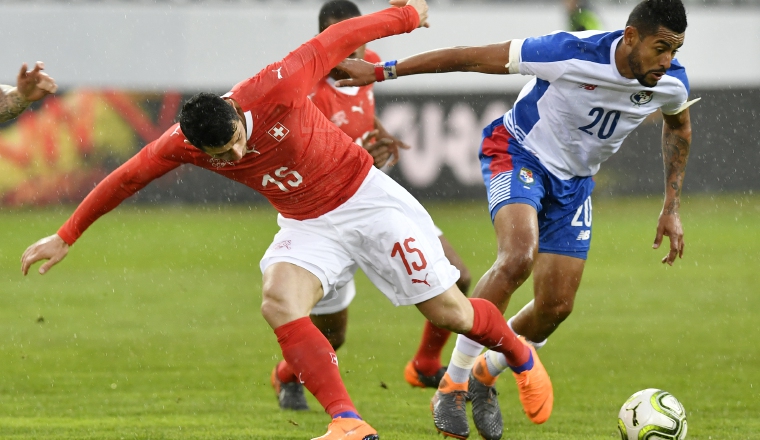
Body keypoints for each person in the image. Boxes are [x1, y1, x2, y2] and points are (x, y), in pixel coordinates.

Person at [19, 1, 552, 439]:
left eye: (234, 144)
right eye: (219, 155)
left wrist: (407, 14)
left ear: (239, 118)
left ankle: (518, 354)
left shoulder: (275, 86)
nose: (231, 158)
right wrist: (66, 235)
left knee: (449, 313)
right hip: (306, 223)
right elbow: (127, 178)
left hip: (365, 199)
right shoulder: (181, 144)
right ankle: (348, 421)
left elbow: (339, 38)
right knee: (278, 300)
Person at [334, 0, 694, 438]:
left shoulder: (671, 82)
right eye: (661, 48)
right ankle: (454, 381)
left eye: (675, 50)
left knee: (555, 308)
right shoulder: (569, 51)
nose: (668, 60)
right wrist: (382, 71)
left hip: (575, 183)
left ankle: (486, 372)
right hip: (518, 152)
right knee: (517, 256)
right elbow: (469, 56)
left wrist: (670, 206)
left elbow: (678, 127)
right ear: (632, 36)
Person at [269, 0, 473, 413]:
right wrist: (361, 156)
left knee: (459, 276)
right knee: (331, 336)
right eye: (340, 44)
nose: (352, 53)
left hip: (373, 197)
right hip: (327, 214)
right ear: (321, 42)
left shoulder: (369, 64)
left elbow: (360, 115)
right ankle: (286, 374)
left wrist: (381, 137)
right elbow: (310, 157)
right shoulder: (303, 92)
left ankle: (425, 362)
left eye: (357, 41)